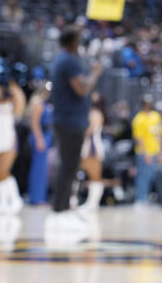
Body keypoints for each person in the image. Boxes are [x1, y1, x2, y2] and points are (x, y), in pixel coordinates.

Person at [48, 25, 103, 229]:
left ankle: (61, 208)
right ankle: (60, 210)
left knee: (68, 166)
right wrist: (95, 74)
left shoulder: (61, 59)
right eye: (78, 40)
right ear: (72, 42)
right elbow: (82, 89)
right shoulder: (69, 61)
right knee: (69, 167)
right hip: (70, 122)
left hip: (66, 120)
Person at [0, 69, 26, 217]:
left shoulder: (13, 104)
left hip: (8, 140)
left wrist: (12, 83)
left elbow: (21, 100)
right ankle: (2, 203)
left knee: (4, 171)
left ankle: (15, 199)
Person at [74, 93, 106, 212]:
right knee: (81, 174)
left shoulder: (95, 113)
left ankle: (92, 203)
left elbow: (89, 130)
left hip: (92, 147)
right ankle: (85, 201)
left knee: (95, 176)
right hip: (88, 146)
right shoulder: (92, 112)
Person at [132, 95, 162, 204]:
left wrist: (161, 152)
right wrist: (146, 154)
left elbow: (159, 135)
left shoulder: (156, 116)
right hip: (144, 153)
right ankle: (141, 199)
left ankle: (159, 198)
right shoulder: (139, 118)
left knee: (156, 176)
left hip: (155, 151)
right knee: (143, 177)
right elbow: (139, 138)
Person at [26, 82, 53, 206]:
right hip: (40, 135)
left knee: (42, 168)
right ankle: (36, 198)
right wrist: (39, 138)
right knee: (38, 168)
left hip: (46, 135)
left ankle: (40, 196)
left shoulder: (45, 103)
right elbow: (35, 123)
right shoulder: (38, 103)